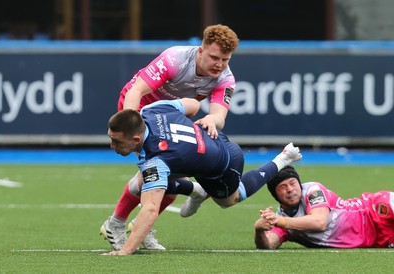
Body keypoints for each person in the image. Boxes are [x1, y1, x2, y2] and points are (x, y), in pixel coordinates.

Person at [100, 24, 240, 251]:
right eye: (215, 57)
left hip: (172, 115)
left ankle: (135, 225)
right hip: (141, 110)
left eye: (225, 59)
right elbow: (137, 90)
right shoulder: (175, 58)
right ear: (201, 50)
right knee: (155, 174)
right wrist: (132, 124)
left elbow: (219, 116)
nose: (220, 65)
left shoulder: (225, 78)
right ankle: (117, 223)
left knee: (168, 178)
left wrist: (212, 121)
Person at [102, 98, 302, 255]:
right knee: (147, 182)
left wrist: (125, 251)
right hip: (210, 136)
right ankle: (196, 191)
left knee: (231, 199)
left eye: (116, 142)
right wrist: (203, 122)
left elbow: (150, 209)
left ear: (136, 139)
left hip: (225, 165)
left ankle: (283, 158)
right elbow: (193, 104)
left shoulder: (155, 161)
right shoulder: (151, 110)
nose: (112, 146)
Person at [254, 166, 394, 249]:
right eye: (283, 187)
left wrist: (279, 221)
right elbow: (269, 245)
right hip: (378, 239)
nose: (290, 189)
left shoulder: (312, 190)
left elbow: (319, 222)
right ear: (275, 195)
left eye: (293, 183)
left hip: (374, 211)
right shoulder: (282, 219)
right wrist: (260, 230)